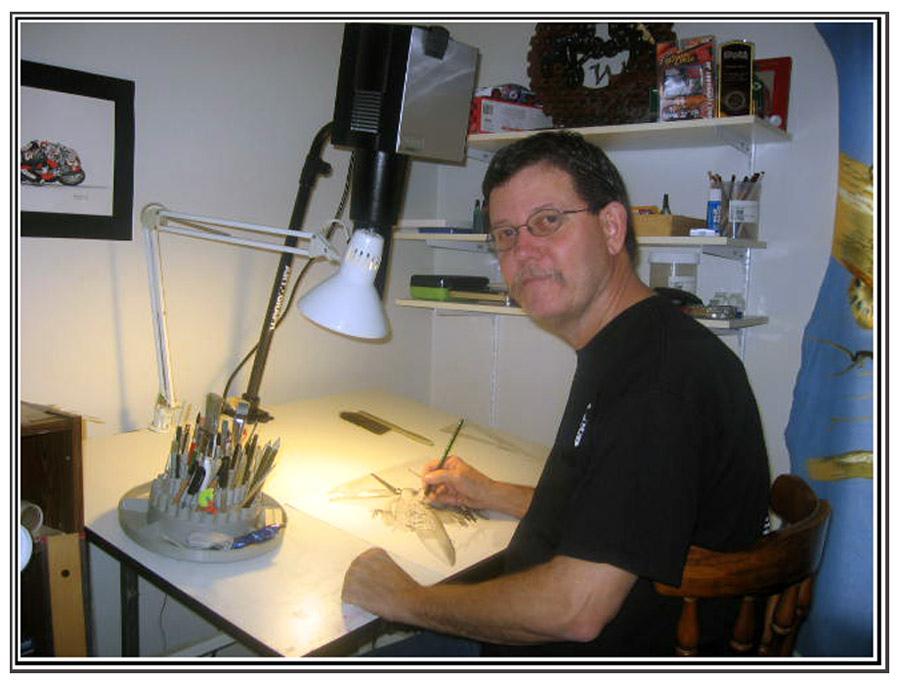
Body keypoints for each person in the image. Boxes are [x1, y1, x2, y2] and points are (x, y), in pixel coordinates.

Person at [341, 131, 771, 657]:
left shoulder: (658, 384)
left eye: (548, 221)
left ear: (612, 227)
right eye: (505, 233)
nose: (523, 251)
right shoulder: (635, 343)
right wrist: (492, 492)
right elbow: (617, 509)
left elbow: (576, 611)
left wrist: (404, 599)